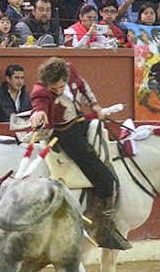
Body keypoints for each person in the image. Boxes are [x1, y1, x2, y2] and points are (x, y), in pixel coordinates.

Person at [29, 56, 131, 250]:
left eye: (61, 87)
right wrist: (38, 114)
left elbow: (83, 87)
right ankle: (103, 229)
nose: (58, 91)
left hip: (81, 122)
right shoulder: (40, 91)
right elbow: (39, 106)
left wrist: (95, 106)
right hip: (65, 134)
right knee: (104, 179)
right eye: (54, 89)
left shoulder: (70, 70)